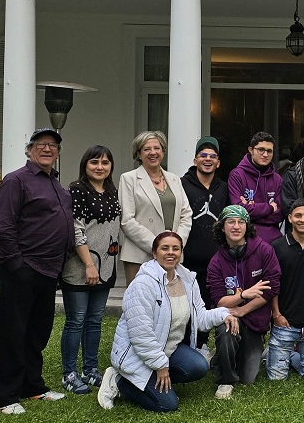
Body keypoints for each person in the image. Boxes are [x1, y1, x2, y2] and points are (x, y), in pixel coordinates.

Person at [98, 232, 236, 413]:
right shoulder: (143, 284)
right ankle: (119, 381)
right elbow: (141, 335)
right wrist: (160, 366)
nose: (170, 253)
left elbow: (199, 316)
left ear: (181, 253)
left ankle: (154, 383)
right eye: (165, 248)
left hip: (167, 350)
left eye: (175, 248)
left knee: (199, 366)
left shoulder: (187, 280)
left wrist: (223, 314)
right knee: (167, 405)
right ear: (154, 253)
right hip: (137, 355)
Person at [0, 127, 75, 414]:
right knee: (12, 333)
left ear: (58, 152)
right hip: (23, 268)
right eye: (41, 144)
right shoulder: (17, 181)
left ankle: (32, 387)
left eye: (53, 145)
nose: (47, 149)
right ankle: (6, 396)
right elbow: (3, 226)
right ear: (29, 149)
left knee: (38, 332)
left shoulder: (56, 184)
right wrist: (16, 264)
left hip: (50, 271)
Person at [58, 145, 121, 394]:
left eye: (105, 163)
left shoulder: (112, 191)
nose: (100, 167)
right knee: (76, 320)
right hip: (80, 268)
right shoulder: (76, 190)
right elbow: (75, 230)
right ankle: (69, 373)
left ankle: (90, 369)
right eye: (94, 162)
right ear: (85, 165)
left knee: (95, 320)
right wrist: (89, 265)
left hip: (106, 267)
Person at [206, 204, 280, 398]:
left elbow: (272, 288)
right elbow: (219, 300)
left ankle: (221, 357)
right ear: (222, 227)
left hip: (254, 319)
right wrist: (242, 296)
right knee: (226, 329)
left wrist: (242, 309)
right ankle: (226, 380)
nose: (236, 226)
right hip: (230, 316)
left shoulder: (264, 250)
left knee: (248, 377)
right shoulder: (216, 261)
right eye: (230, 222)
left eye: (241, 222)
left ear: (247, 226)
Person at [118, 130, 192, 285]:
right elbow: (127, 220)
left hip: (172, 257)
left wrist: (174, 245)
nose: (153, 152)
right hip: (140, 255)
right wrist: (158, 246)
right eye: (146, 149)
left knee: (170, 304)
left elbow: (186, 214)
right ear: (138, 154)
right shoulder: (128, 179)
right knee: (141, 305)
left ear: (163, 151)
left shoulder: (174, 179)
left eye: (157, 148)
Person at [269, 200, 304, 379]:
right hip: (284, 323)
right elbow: (272, 284)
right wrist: (276, 315)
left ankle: (292, 357)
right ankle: (279, 353)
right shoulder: (277, 246)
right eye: (298, 215)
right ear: (290, 218)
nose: (303, 220)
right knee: (277, 378)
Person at [180, 136, 229, 345]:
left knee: (211, 306)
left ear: (218, 162)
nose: (207, 159)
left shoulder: (224, 188)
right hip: (188, 260)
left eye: (213, 156)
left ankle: (202, 345)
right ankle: (185, 346)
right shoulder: (181, 185)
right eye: (203, 155)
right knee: (186, 308)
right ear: (195, 160)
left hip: (217, 261)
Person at [227, 132, 282, 246]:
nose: (265, 154)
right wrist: (269, 208)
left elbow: (280, 214)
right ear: (251, 150)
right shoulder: (237, 175)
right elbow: (238, 211)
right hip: (245, 243)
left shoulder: (277, 179)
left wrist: (251, 211)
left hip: (274, 243)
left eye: (269, 151)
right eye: (261, 149)